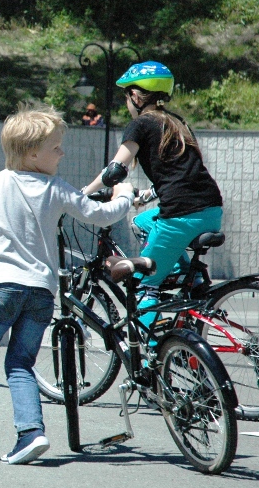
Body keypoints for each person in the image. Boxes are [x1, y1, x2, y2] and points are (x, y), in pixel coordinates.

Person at [0, 104, 133, 464]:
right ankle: (30, 434)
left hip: (0, 289)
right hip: (40, 293)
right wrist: (124, 194)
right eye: (56, 147)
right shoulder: (56, 189)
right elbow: (101, 214)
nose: (62, 152)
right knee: (20, 364)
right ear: (33, 153)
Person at [82, 61, 223, 315]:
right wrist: (149, 194)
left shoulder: (141, 124)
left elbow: (115, 170)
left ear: (135, 96)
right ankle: (182, 271)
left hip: (181, 216)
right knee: (143, 221)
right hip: (211, 210)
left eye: (127, 96)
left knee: (145, 290)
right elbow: (183, 172)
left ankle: (149, 354)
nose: (127, 103)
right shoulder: (177, 122)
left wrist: (82, 193)